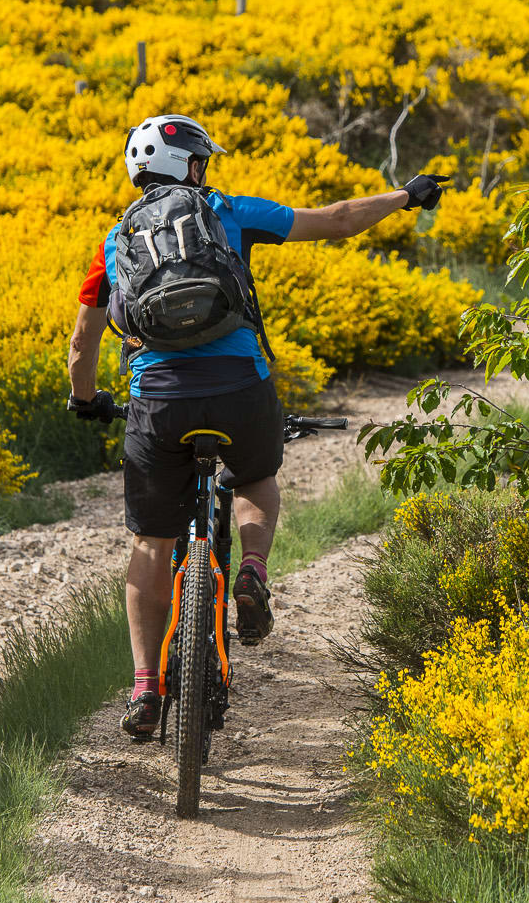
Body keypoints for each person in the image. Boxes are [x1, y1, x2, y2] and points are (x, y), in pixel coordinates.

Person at [65, 114, 446, 741]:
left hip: (157, 402)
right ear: (192, 166)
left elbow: (83, 344)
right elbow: (339, 218)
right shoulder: (227, 211)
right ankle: (253, 571)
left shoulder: (115, 241)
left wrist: (86, 401)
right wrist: (407, 194)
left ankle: (143, 686)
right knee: (256, 476)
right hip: (241, 388)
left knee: (149, 546)